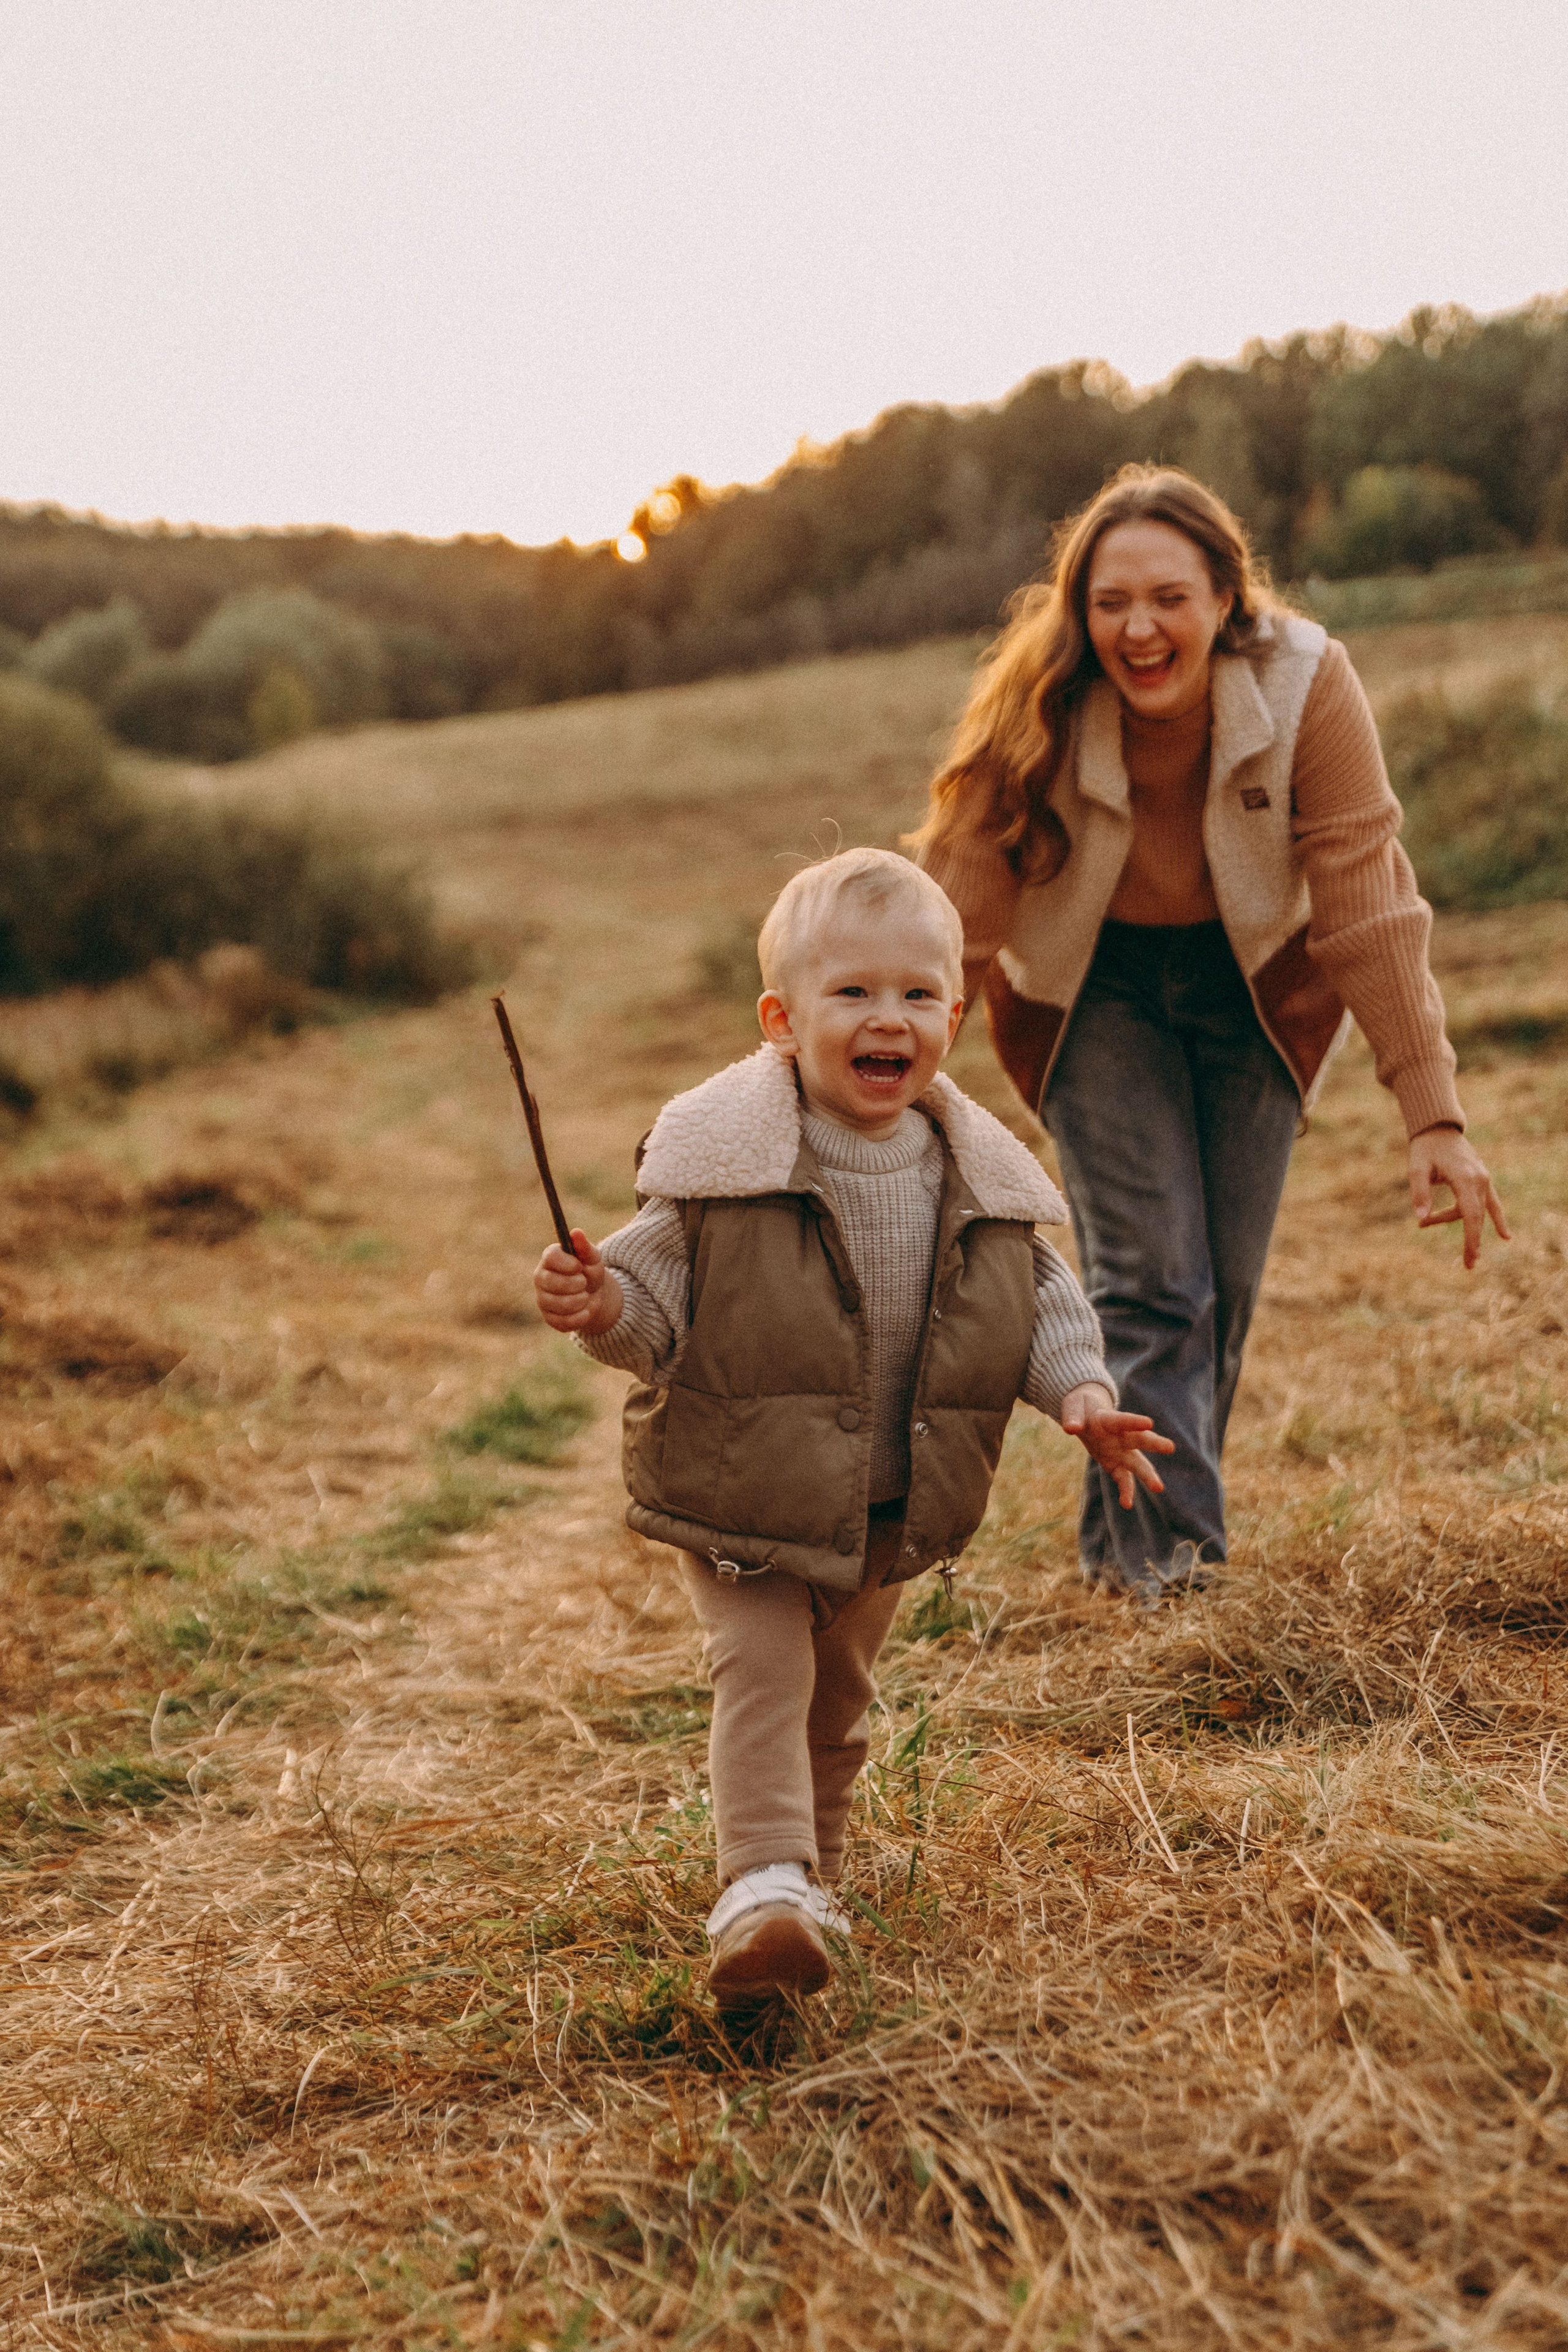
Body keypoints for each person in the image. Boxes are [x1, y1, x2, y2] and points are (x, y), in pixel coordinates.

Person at [532, 848, 1172, 2011]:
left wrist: (1081, 1395)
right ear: (782, 1020)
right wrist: (603, 1305)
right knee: (766, 1669)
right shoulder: (722, 1168)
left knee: (836, 1699)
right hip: (742, 1494)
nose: (892, 1019)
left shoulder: (976, 1176)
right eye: (855, 994)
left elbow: (1038, 1303)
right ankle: (760, 1887)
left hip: (886, 1501)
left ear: (957, 1016)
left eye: (919, 995)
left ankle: (804, 1898)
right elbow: (652, 1307)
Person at [913, 464, 1508, 1602]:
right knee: (1153, 1288)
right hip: (1094, 994)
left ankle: (1123, 1541)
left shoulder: (1306, 682)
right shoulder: (1038, 699)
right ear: (1080, 611)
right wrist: (891, 1058)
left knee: (1220, 1289)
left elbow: (1365, 892)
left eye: (1168, 598)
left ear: (1226, 598)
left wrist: (1432, 1110)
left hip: (1259, 991)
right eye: (1111, 602)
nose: (1139, 628)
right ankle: (1164, 1579)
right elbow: (957, 907)